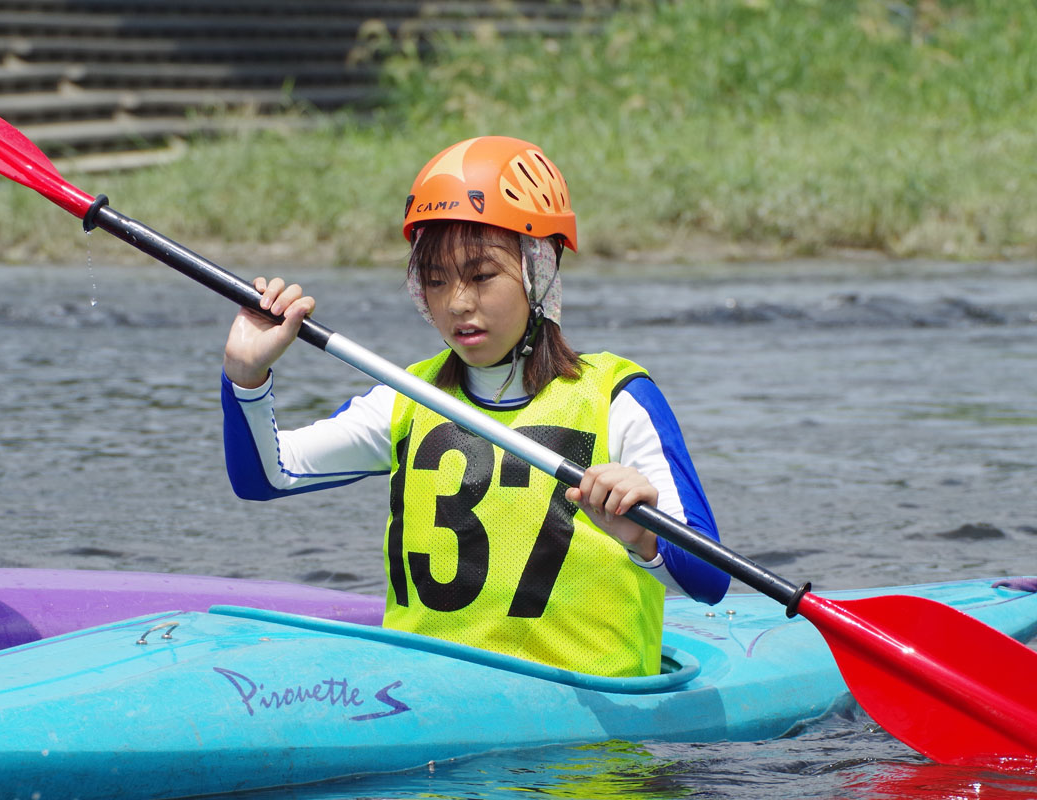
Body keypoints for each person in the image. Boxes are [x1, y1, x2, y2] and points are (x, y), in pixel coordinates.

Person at [221, 136, 729, 677]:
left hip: (585, 736)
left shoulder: (617, 399)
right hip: (424, 702)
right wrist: (247, 376)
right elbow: (267, 476)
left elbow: (709, 581)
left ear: (538, 267)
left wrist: (642, 536)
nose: (457, 303)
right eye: (436, 281)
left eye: (482, 276)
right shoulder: (407, 396)